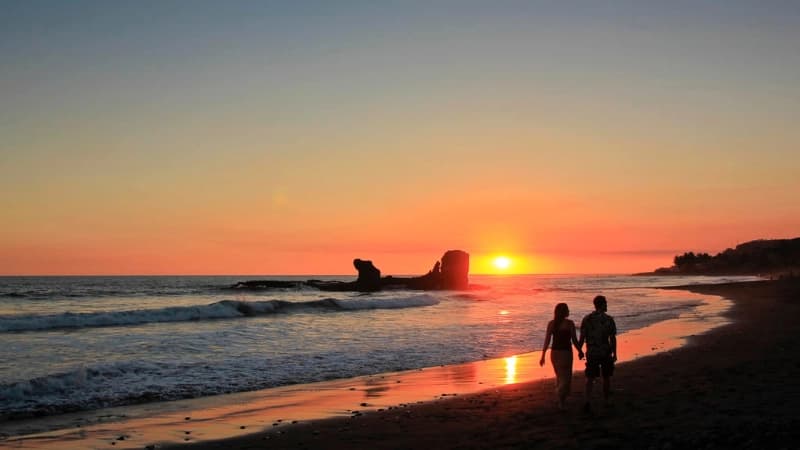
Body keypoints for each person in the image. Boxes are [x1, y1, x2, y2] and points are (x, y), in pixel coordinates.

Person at [539, 303, 584, 409]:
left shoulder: (551, 323)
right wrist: (580, 351)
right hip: (566, 353)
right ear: (565, 312)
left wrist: (543, 355)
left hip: (554, 353)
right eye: (568, 309)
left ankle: (561, 402)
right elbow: (574, 340)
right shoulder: (569, 324)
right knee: (566, 378)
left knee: (560, 376)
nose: (569, 311)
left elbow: (547, 341)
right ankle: (560, 393)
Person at [578, 295, 617, 413]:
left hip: (592, 353)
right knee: (606, 377)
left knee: (590, 378)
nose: (607, 305)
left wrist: (579, 351)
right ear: (602, 304)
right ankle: (606, 401)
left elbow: (582, 338)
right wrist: (615, 353)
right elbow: (613, 338)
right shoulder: (609, 319)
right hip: (605, 352)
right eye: (606, 303)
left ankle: (587, 401)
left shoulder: (587, 319)